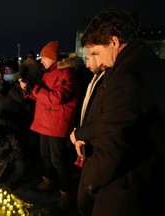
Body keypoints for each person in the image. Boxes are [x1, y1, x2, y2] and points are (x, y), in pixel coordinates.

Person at [70, 9, 165, 216]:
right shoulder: (149, 62)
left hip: (125, 187)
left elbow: (112, 146)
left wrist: (89, 181)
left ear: (113, 42)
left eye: (96, 53)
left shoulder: (124, 76)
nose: (98, 61)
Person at [19, 41, 80, 211]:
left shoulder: (67, 74)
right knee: (45, 155)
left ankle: (66, 193)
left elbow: (58, 97)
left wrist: (35, 88)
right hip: (44, 122)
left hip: (57, 124)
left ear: (52, 58)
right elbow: (41, 97)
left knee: (58, 160)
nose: (41, 61)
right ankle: (49, 181)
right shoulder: (47, 74)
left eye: (44, 58)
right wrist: (28, 90)